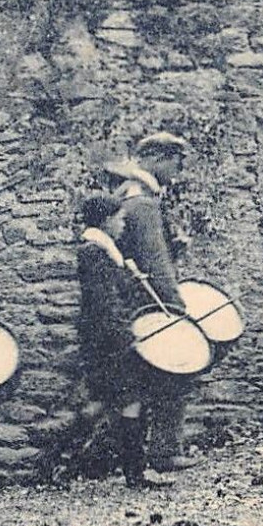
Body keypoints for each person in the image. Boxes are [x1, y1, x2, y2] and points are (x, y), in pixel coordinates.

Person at [73, 193, 171, 488]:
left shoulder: (104, 251)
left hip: (109, 337)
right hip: (108, 341)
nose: (123, 224)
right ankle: (134, 472)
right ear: (105, 221)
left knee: (121, 401)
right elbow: (104, 303)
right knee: (127, 400)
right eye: (120, 219)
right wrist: (128, 337)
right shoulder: (94, 252)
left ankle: (130, 469)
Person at [112, 132, 196, 473]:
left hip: (130, 301)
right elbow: (155, 263)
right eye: (176, 161)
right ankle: (164, 450)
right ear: (157, 158)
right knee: (173, 370)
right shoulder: (143, 203)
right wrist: (177, 308)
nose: (179, 169)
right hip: (148, 303)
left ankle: (141, 454)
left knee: (136, 383)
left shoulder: (127, 194)